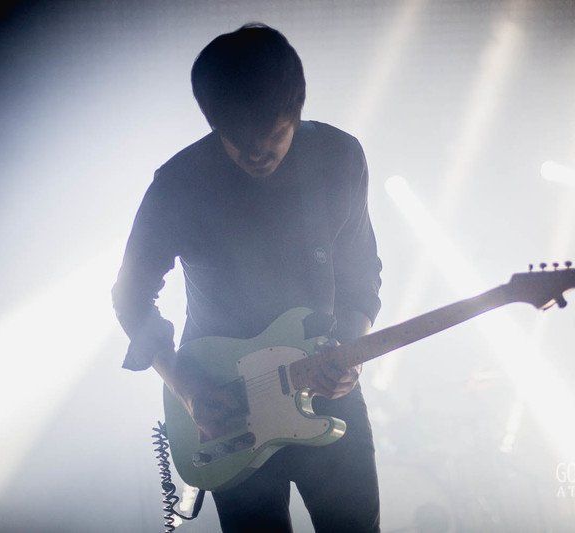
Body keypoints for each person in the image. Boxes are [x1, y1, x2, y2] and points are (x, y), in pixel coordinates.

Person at [111, 23, 382, 532]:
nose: (256, 153)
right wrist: (187, 387)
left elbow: (361, 273)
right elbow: (130, 296)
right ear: (213, 124)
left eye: (273, 136)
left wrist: (351, 347)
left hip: (325, 385)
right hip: (223, 403)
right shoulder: (178, 185)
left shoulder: (340, 158)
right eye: (237, 142)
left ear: (297, 112)